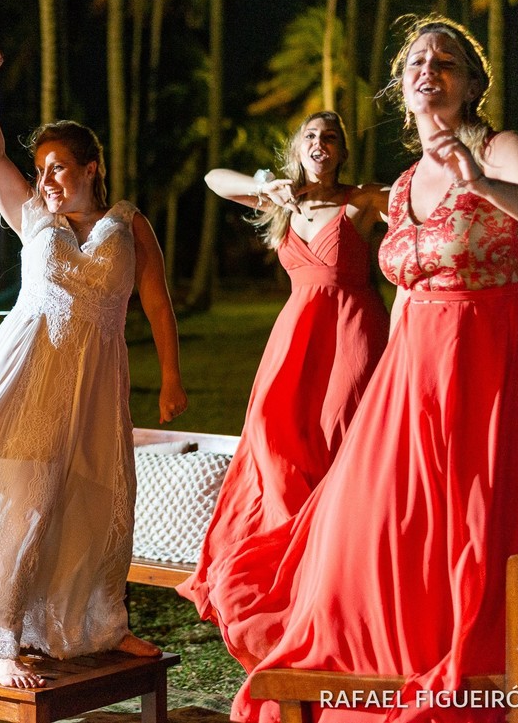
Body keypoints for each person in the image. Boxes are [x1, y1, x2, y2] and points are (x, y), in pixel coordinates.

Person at [221, 15, 518, 723]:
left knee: (467, 535)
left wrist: (484, 181)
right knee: (361, 528)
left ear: (472, 83)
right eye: (416, 60)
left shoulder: (500, 146)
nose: (428, 69)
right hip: (406, 374)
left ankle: (464, 665)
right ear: (401, 86)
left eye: (445, 60)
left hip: (491, 365)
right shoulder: (406, 179)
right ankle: (366, 667)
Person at [0, 44, 187, 690]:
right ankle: (2, 639)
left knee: (100, 502)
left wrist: (171, 375)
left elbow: (158, 304)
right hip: (28, 380)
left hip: (94, 387)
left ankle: (105, 626)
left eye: (60, 168)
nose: (49, 179)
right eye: (43, 170)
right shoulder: (34, 219)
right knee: (24, 508)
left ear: (92, 167)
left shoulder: (129, 224)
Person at [176, 112, 389, 652]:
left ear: (341, 152)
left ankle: (340, 568)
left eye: (331, 137)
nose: (321, 144)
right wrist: (261, 185)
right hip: (294, 337)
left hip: (351, 332)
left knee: (340, 438)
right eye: (311, 136)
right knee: (275, 440)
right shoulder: (281, 200)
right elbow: (213, 179)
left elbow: (416, 198)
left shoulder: (361, 202)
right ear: (299, 149)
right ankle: (291, 559)